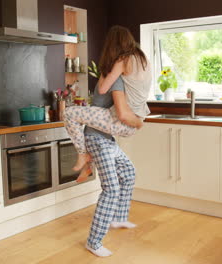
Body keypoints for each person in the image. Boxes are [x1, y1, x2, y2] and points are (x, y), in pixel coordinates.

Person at [64, 25, 151, 180]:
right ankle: (88, 165)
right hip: (136, 118)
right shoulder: (143, 60)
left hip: (123, 120)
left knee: (69, 113)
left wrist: (107, 66)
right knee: (95, 128)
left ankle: (83, 155)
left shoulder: (122, 60)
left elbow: (103, 88)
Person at [82, 77, 141, 257]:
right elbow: (122, 113)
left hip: (107, 139)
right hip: (97, 139)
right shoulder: (114, 80)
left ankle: (118, 218)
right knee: (111, 189)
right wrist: (139, 122)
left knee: (129, 172)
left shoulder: (117, 78)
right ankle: (93, 241)